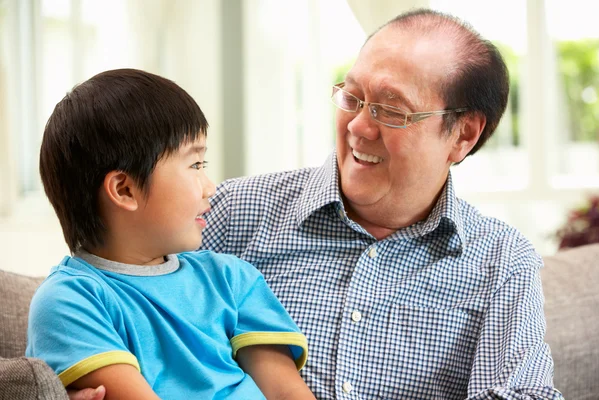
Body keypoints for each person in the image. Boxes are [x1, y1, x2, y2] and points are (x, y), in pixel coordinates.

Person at [69, 8, 563, 400]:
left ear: (463, 135)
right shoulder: (231, 212)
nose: (358, 126)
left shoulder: (502, 261)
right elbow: (105, 279)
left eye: (390, 110)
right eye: (351, 97)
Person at [26, 68, 316, 399]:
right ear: (124, 190)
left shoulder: (233, 280)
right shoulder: (70, 301)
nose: (210, 188)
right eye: (195, 165)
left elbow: (288, 393)